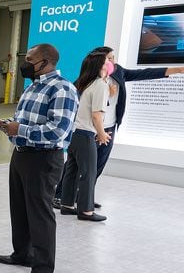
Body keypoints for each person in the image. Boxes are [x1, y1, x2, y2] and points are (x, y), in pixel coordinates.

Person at [0, 43, 79, 273]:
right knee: (19, 208)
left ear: (46, 61)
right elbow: (20, 121)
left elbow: (58, 130)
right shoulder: (31, 88)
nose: (24, 63)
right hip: (21, 154)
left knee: (40, 214)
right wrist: (3, 124)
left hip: (44, 159)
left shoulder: (63, 89)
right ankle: (22, 254)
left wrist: (20, 129)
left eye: (29, 59)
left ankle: (43, 268)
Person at [52, 46, 184, 208]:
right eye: (109, 58)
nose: (113, 61)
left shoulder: (118, 72)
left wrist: (178, 69)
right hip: (89, 129)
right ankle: (60, 196)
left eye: (113, 58)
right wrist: (109, 95)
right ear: (99, 61)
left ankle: (83, 197)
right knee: (77, 165)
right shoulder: (88, 80)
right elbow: (84, 104)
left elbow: (143, 74)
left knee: (97, 166)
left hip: (109, 127)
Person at [58, 52, 111, 221]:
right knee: (88, 173)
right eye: (106, 61)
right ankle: (86, 211)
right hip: (86, 134)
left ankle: (66, 205)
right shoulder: (100, 85)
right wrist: (102, 134)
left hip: (74, 134)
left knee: (72, 171)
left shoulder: (83, 84)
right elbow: (96, 115)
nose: (109, 63)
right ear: (99, 66)